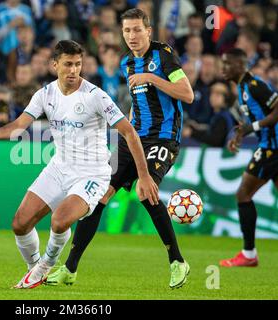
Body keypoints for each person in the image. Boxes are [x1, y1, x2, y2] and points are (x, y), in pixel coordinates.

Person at [0, 39, 159, 289]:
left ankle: (44, 267)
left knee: (59, 221)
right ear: (55, 65)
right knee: (19, 223)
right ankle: (34, 269)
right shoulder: (45, 94)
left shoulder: (96, 96)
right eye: (68, 64)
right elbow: (20, 125)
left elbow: (129, 133)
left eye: (77, 64)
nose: (73, 70)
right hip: (59, 167)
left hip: (91, 174)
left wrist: (145, 176)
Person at [46, 8, 194, 289]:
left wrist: (152, 78)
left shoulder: (163, 56)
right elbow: (137, 105)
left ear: (148, 31)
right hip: (135, 137)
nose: (132, 35)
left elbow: (187, 94)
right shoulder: (128, 63)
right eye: (127, 31)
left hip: (163, 138)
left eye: (137, 29)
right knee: (99, 194)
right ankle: (69, 268)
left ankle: (177, 261)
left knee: (144, 190)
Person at [220, 48, 278, 267]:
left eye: (227, 64)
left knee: (243, 194)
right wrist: (241, 132)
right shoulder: (241, 88)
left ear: (241, 65)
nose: (223, 69)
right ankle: (249, 254)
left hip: (274, 148)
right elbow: (254, 120)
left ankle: (249, 254)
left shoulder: (254, 86)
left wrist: (252, 127)